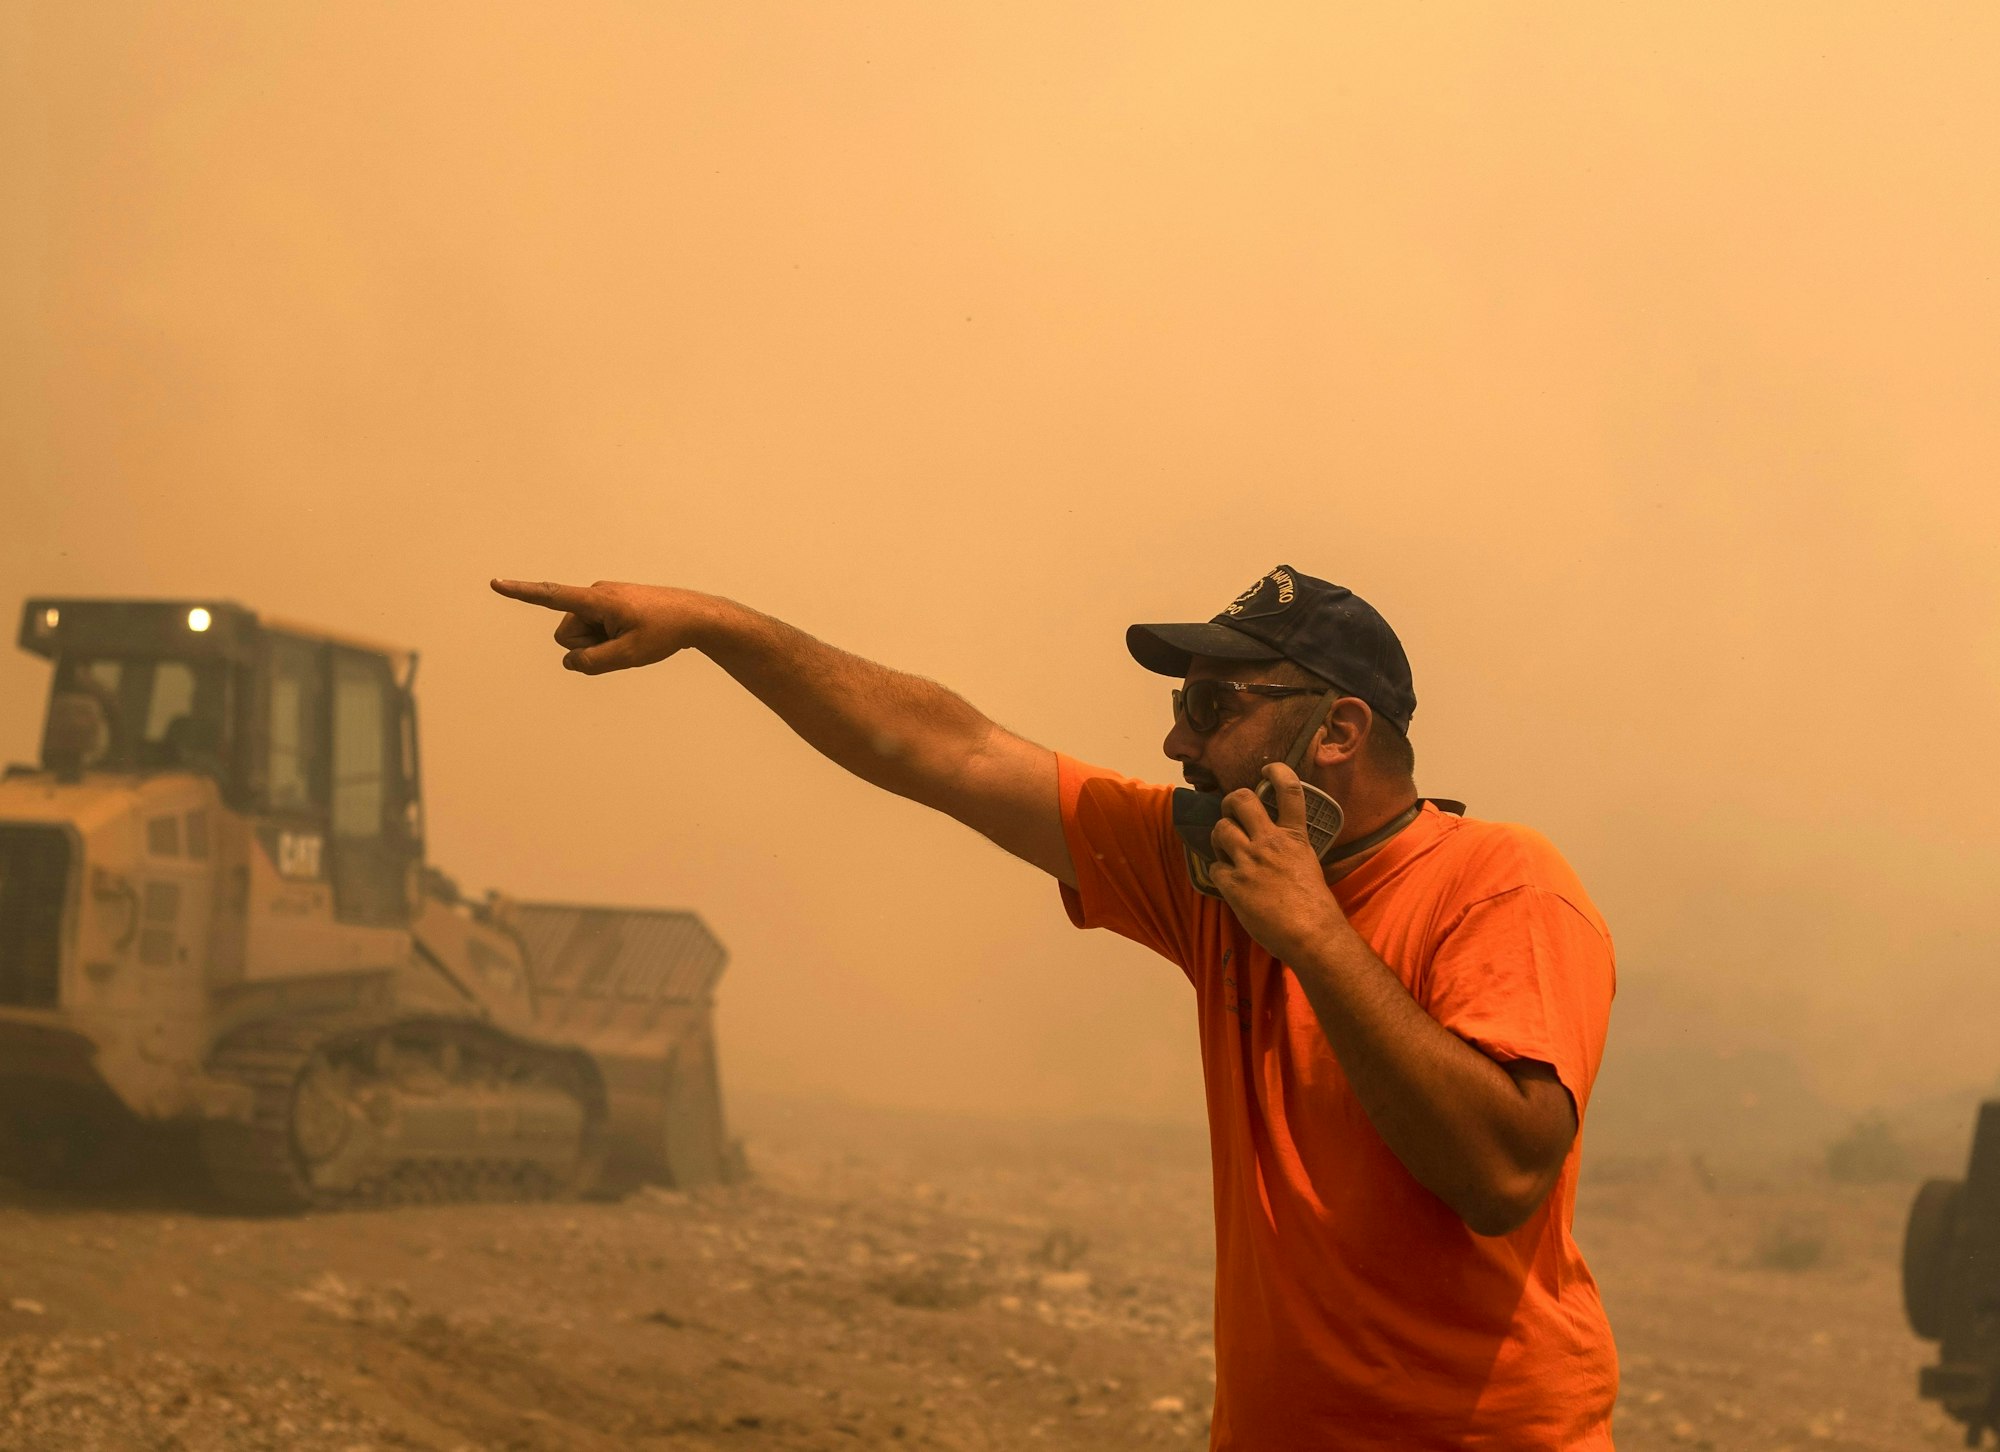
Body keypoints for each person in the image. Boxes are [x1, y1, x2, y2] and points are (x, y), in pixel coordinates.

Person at [492, 564, 1618, 1451]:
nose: (1177, 739)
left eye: (1214, 705)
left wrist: (1313, 933)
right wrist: (717, 626)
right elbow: (952, 749)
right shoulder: (1217, 873)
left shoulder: (1501, 884)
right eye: (1180, 702)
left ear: (1336, 734)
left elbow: (1501, 1174)